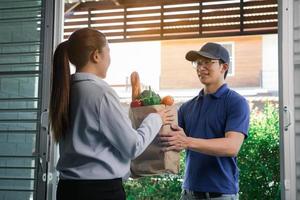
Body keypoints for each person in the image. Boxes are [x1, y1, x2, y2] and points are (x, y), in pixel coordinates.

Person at [49, 28, 174, 200]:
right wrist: (155, 118)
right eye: (108, 51)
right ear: (96, 55)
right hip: (100, 192)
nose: (110, 58)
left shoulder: (66, 90)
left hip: (67, 190)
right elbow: (133, 146)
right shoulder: (100, 93)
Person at [160, 42, 250, 200]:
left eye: (207, 62)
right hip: (188, 193)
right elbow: (174, 142)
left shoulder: (236, 102)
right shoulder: (187, 107)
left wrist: (187, 141)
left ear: (223, 67)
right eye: (198, 63)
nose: (201, 67)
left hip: (220, 195)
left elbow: (232, 146)